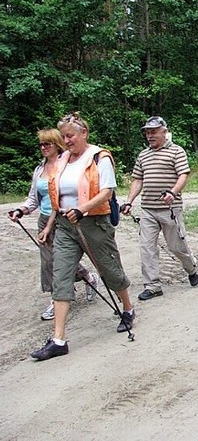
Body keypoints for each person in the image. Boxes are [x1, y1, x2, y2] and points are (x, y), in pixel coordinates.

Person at [29, 112, 135, 361]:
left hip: (94, 223)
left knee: (109, 269)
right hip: (66, 226)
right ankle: (58, 339)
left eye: (70, 136)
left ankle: (128, 308)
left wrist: (82, 209)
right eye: (63, 137)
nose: (66, 141)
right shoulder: (63, 159)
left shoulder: (99, 157)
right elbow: (55, 195)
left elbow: (107, 192)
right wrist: (42, 218)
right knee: (61, 274)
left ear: (83, 134)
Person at [7, 129, 99, 321]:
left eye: (47, 144)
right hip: (45, 218)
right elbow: (34, 198)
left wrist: (56, 223)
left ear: (57, 145)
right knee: (49, 262)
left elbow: (67, 195)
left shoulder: (66, 166)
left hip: (65, 218)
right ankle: (57, 298)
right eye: (41, 144)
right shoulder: (39, 170)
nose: (43, 147)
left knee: (63, 260)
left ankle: (87, 280)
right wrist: (21, 210)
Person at [121, 116, 198, 301]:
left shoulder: (176, 151)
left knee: (177, 247)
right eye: (148, 132)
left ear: (164, 131)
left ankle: (191, 267)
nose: (150, 135)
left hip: (170, 208)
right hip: (148, 209)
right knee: (146, 247)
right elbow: (137, 179)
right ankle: (153, 285)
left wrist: (173, 192)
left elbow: (183, 175)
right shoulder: (143, 155)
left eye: (154, 131)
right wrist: (129, 201)